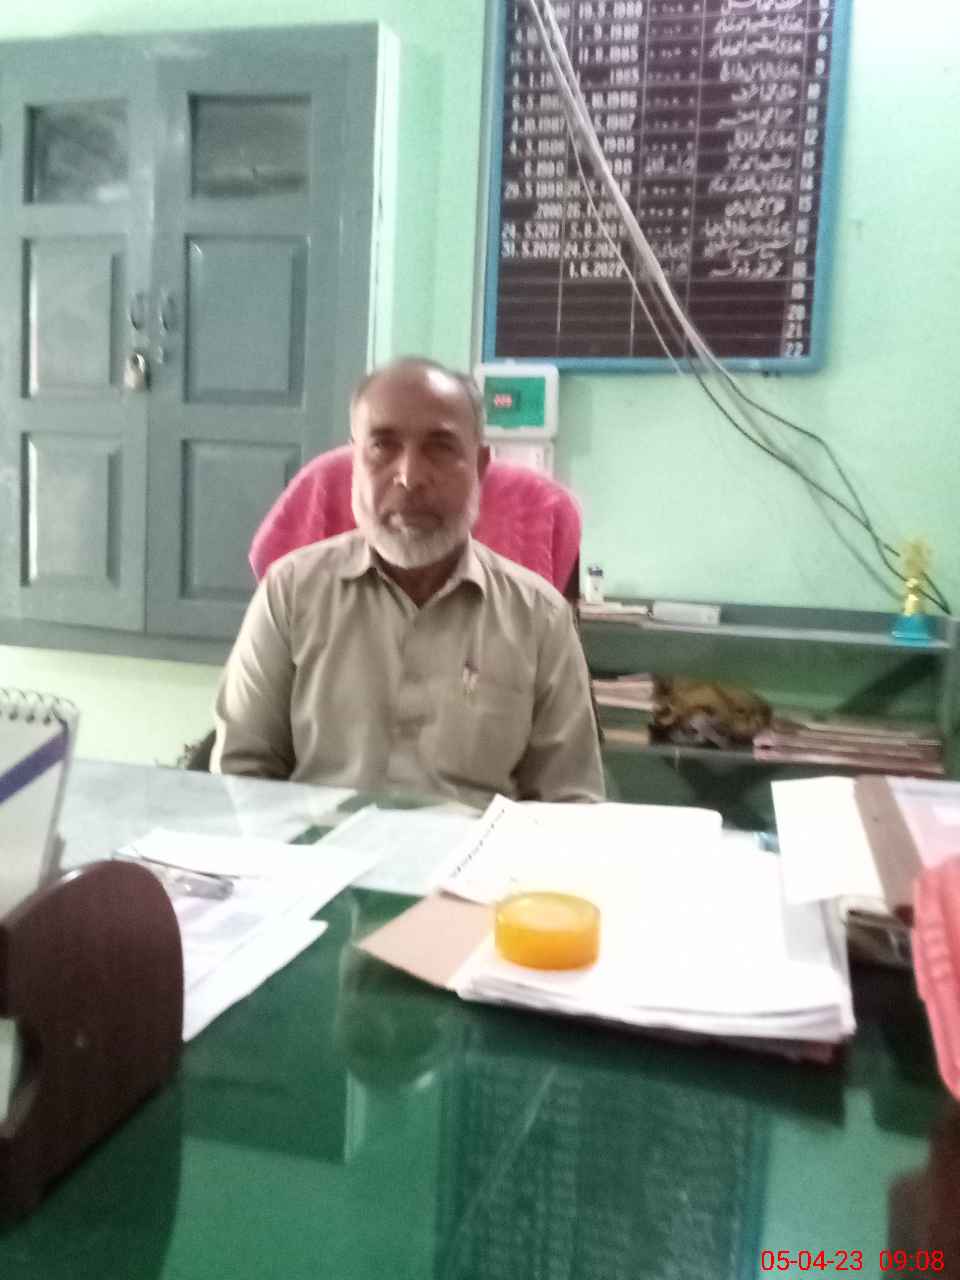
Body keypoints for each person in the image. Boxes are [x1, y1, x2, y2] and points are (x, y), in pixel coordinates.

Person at [211, 356, 604, 807]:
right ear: (355, 463)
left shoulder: (540, 619)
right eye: (383, 446)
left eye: (440, 448)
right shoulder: (289, 592)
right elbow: (242, 775)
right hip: (316, 847)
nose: (410, 477)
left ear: (479, 467)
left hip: (474, 852)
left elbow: (568, 803)